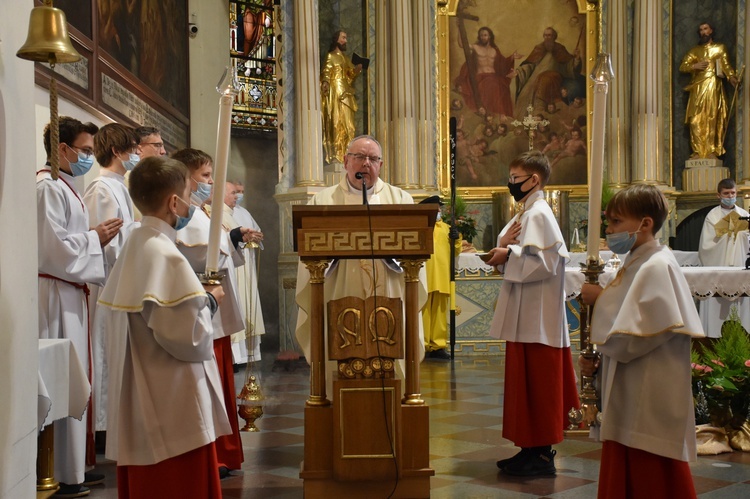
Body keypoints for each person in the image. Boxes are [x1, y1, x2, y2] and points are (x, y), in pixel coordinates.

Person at [97, 156, 231, 498]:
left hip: (141, 404)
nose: (192, 202)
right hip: (173, 407)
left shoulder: (136, 244)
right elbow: (191, 338)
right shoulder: (165, 256)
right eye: (189, 193)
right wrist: (211, 300)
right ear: (174, 202)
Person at [580, 184, 705, 498]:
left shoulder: (657, 266)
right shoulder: (638, 260)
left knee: (650, 473)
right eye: (608, 222)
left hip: (649, 390)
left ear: (645, 224)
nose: (609, 230)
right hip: (633, 382)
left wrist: (600, 299)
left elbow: (635, 337)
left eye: (616, 222)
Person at [295, 135, 427, 390]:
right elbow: (309, 256)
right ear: (346, 162)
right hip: (339, 289)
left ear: (381, 165)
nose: (366, 163)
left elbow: (416, 255)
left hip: (390, 289)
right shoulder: (323, 202)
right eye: (359, 157)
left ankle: (396, 399)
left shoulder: (400, 201)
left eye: (373, 159)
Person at [37, 116, 122, 497]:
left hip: (70, 293)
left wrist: (93, 240)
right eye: (85, 150)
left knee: (75, 379)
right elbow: (52, 249)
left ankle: (74, 467)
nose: (89, 156)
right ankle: (55, 470)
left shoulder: (65, 186)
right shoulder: (47, 188)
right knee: (60, 381)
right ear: (62, 149)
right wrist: (94, 237)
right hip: (54, 295)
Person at [485, 150, 578, 476]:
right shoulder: (529, 211)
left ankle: (540, 454)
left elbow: (545, 262)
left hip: (537, 316)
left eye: (515, 179)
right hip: (528, 314)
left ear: (534, 180)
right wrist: (506, 250)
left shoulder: (538, 214)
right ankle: (530, 449)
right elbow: (517, 250)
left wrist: (506, 254)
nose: (510, 185)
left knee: (538, 384)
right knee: (527, 384)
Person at [171, 148, 251, 477]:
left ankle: (223, 452)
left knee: (220, 383)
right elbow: (198, 255)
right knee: (209, 384)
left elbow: (216, 250)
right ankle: (213, 454)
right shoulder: (186, 214)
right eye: (204, 176)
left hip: (214, 311)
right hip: (203, 312)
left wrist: (233, 238)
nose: (210, 182)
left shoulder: (201, 211)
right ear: (185, 176)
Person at [83, 122, 141, 435]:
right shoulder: (101, 188)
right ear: (117, 151)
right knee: (103, 353)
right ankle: (101, 426)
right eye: (132, 149)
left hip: (120, 281)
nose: (136, 154)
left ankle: (112, 421)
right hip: (106, 282)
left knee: (115, 352)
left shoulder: (120, 186)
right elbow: (106, 242)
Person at [698, 178, 750, 336]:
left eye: (733, 193)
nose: (730, 196)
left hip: (741, 268)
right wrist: (727, 234)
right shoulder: (712, 216)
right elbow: (706, 246)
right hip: (719, 268)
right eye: (726, 193)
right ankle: (713, 339)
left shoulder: (744, 214)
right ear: (718, 195)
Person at [679, 22, 738, 159]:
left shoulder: (719, 48)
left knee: (712, 117)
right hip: (698, 87)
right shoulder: (695, 51)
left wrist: (731, 78)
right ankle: (698, 151)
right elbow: (683, 66)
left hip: (713, 85)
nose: (703, 32)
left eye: (705, 29)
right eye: (700, 30)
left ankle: (712, 150)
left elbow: (726, 65)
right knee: (695, 119)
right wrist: (695, 66)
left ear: (711, 31)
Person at [222, 181, 265, 365]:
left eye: (240, 192)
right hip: (234, 269)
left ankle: (247, 355)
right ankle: (235, 358)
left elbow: (256, 232)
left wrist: (254, 237)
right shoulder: (218, 214)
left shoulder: (242, 212)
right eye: (234, 192)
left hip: (246, 266)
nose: (237, 196)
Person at [420, 196, 461, 360]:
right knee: (424, 312)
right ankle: (422, 344)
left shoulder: (446, 228)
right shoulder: (421, 227)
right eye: (436, 208)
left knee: (440, 313)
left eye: (439, 208)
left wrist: (456, 238)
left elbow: (456, 250)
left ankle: (438, 346)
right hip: (425, 275)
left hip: (442, 276)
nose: (439, 211)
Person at [510, 27, 583, 116]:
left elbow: (569, 66)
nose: (547, 38)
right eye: (545, 35)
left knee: (544, 79)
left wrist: (576, 58)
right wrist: (519, 71)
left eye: (549, 35)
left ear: (554, 37)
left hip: (553, 75)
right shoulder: (539, 48)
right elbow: (530, 65)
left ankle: (539, 112)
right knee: (524, 94)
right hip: (535, 77)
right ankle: (524, 120)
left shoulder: (560, 49)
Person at [454, 27, 522, 117]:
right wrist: (459, 28)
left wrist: (512, 57)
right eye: (481, 35)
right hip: (481, 77)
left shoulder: (494, 50)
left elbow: (502, 63)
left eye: (485, 35)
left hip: (493, 76)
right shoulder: (476, 47)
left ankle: (501, 113)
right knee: (493, 83)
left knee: (502, 86)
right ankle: (500, 113)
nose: (483, 37)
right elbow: (462, 44)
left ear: (489, 36)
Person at [321, 30, 362, 164]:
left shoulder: (346, 59)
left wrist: (356, 70)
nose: (345, 41)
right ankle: (337, 155)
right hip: (336, 93)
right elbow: (326, 71)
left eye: (346, 38)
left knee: (349, 125)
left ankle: (349, 154)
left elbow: (350, 76)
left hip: (347, 93)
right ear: (336, 39)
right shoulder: (331, 56)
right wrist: (326, 82)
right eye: (343, 38)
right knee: (337, 123)